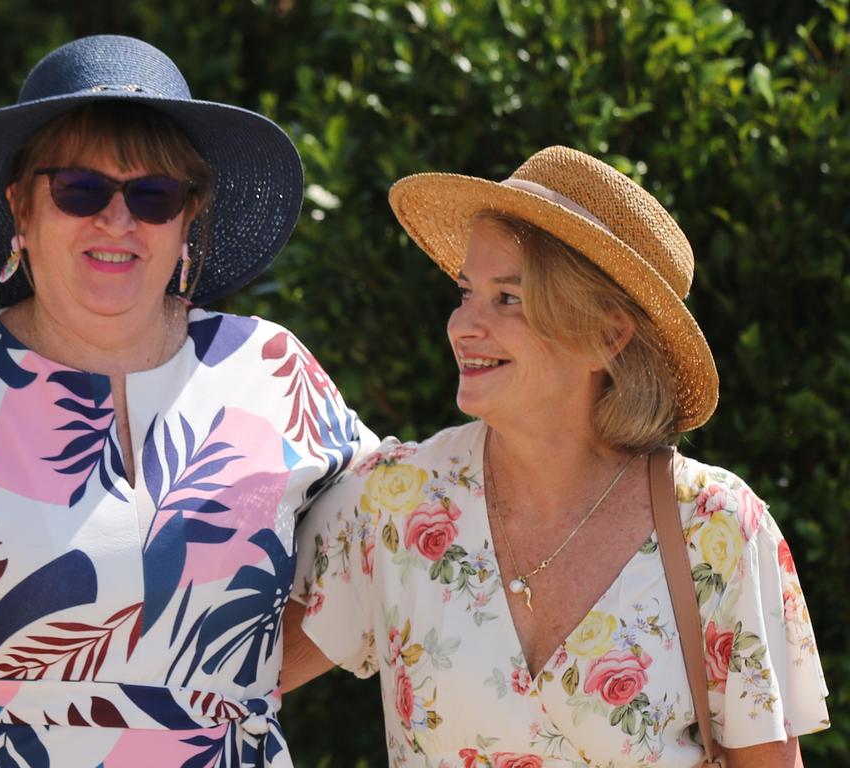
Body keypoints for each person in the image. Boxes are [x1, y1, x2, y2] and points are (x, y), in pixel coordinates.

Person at [0, 35, 376, 767]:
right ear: (20, 206)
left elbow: (393, 561)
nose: (117, 221)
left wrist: (215, 690)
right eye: (80, 190)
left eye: (154, 196)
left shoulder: (272, 371)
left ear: (190, 219)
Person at [283, 147, 829, 767]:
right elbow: (217, 685)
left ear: (608, 334)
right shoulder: (393, 503)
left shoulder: (718, 530)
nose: (462, 325)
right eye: (466, 292)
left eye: (508, 298)